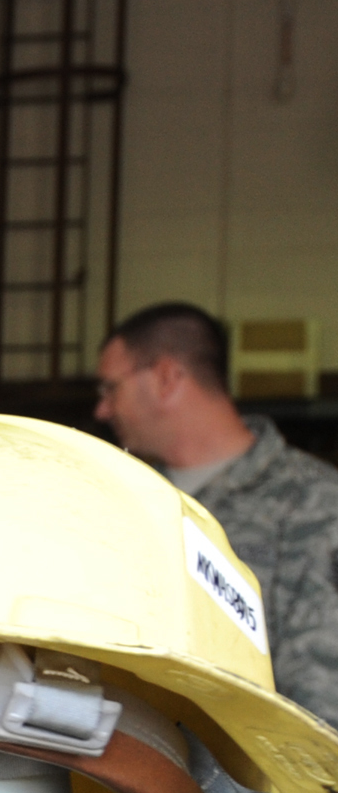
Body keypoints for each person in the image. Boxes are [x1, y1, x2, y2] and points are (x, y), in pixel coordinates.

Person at [96, 302, 338, 728]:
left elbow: (321, 712)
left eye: (110, 389)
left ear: (166, 377)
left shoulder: (316, 506)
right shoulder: (123, 502)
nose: (102, 410)